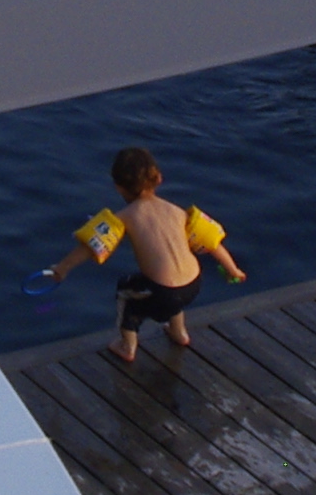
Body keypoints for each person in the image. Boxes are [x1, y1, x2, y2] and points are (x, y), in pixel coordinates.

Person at [45, 145, 244, 368]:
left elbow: (90, 247)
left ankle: (127, 346)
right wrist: (232, 269)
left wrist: (62, 267)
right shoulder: (178, 211)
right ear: (158, 178)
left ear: (118, 187)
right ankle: (179, 332)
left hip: (162, 291)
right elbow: (212, 243)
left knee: (126, 293)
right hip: (193, 284)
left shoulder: (124, 217)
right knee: (172, 292)